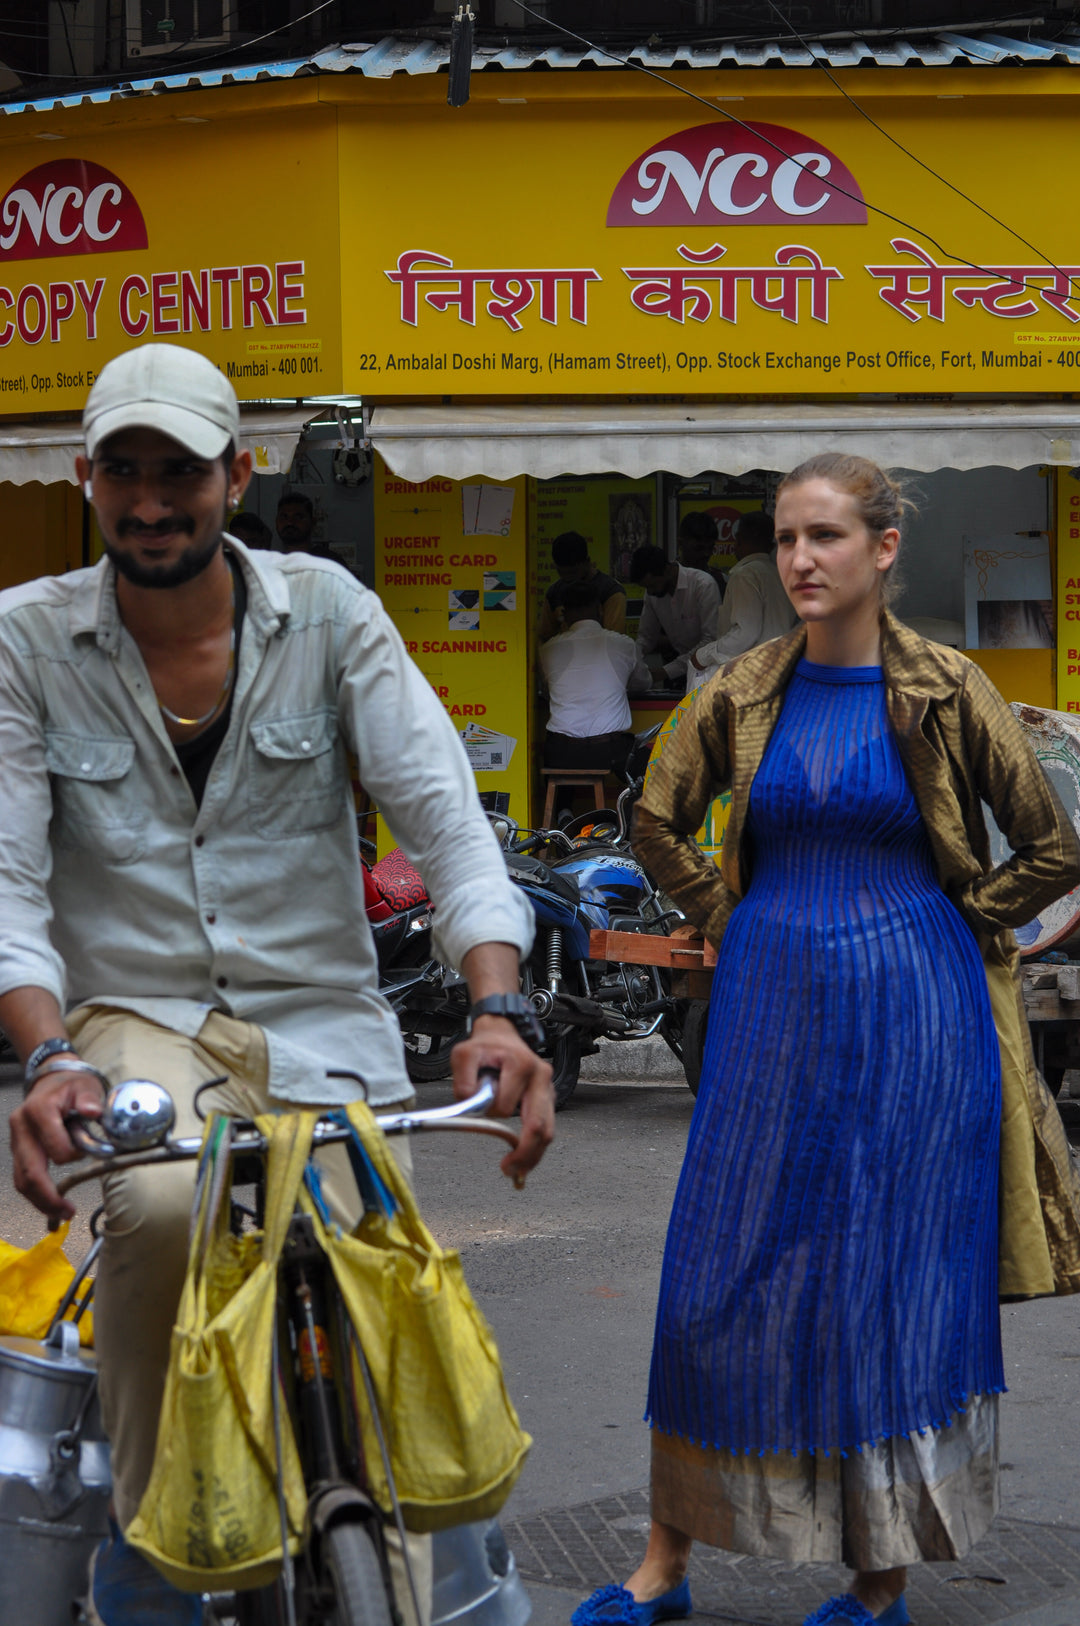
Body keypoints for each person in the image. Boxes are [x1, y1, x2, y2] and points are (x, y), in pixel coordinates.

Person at [0, 343, 553, 1626]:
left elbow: (450, 825)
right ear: (87, 480)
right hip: (133, 1026)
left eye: (180, 471)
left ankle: (409, 1582)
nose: (151, 500)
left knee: (390, 1277)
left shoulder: (333, 614)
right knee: (149, 1207)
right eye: (124, 471)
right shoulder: (27, 641)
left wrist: (498, 1005)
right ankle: (155, 1550)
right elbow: (12, 887)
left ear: (235, 475)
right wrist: (47, 1060)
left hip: (323, 1026)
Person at [576, 452, 1080, 1626]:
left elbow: (1053, 844)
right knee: (715, 1272)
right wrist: (727, 918)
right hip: (765, 1002)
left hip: (918, 1012)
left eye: (825, 538)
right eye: (786, 539)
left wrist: (958, 923)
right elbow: (653, 820)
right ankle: (665, 1567)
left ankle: (880, 1580)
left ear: (883, 549)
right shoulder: (744, 686)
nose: (800, 560)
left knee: (887, 1282)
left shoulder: (950, 686)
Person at [540, 581, 651, 810]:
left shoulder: (547, 649)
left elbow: (546, 686)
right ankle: (629, 829)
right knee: (652, 767)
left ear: (563, 613)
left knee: (559, 760)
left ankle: (563, 816)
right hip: (609, 751)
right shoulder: (622, 644)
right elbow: (643, 682)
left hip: (561, 753)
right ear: (600, 610)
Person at [686, 510, 798, 691]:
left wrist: (703, 656)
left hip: (754, 681)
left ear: (738, 540)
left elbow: (745, 633)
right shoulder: (781, 576)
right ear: (771, 545)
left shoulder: (745, 575)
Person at [629, 545, 721, 694]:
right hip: (678, 668)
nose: (650, 591)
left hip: (709, 669)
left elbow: (710, 641)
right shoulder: (652, 594)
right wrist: (632, 661)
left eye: (652, 585)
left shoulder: (703, 585)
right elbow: (646, 637)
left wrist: (664, 672)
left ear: (667, 570)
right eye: (647, 588)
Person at [538, 531, 626, 641]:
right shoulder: (554, 593)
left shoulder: (611, 593)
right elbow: (545, 636)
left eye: (573, 573)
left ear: (587, 562)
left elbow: (614, 640)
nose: (567, 578)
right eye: (561, 573)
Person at [677, 510, 727, 599]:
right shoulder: (664, 580)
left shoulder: (721, 580)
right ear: (681, 544)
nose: (706, 554)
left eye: (710, 548)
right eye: (699, 548)